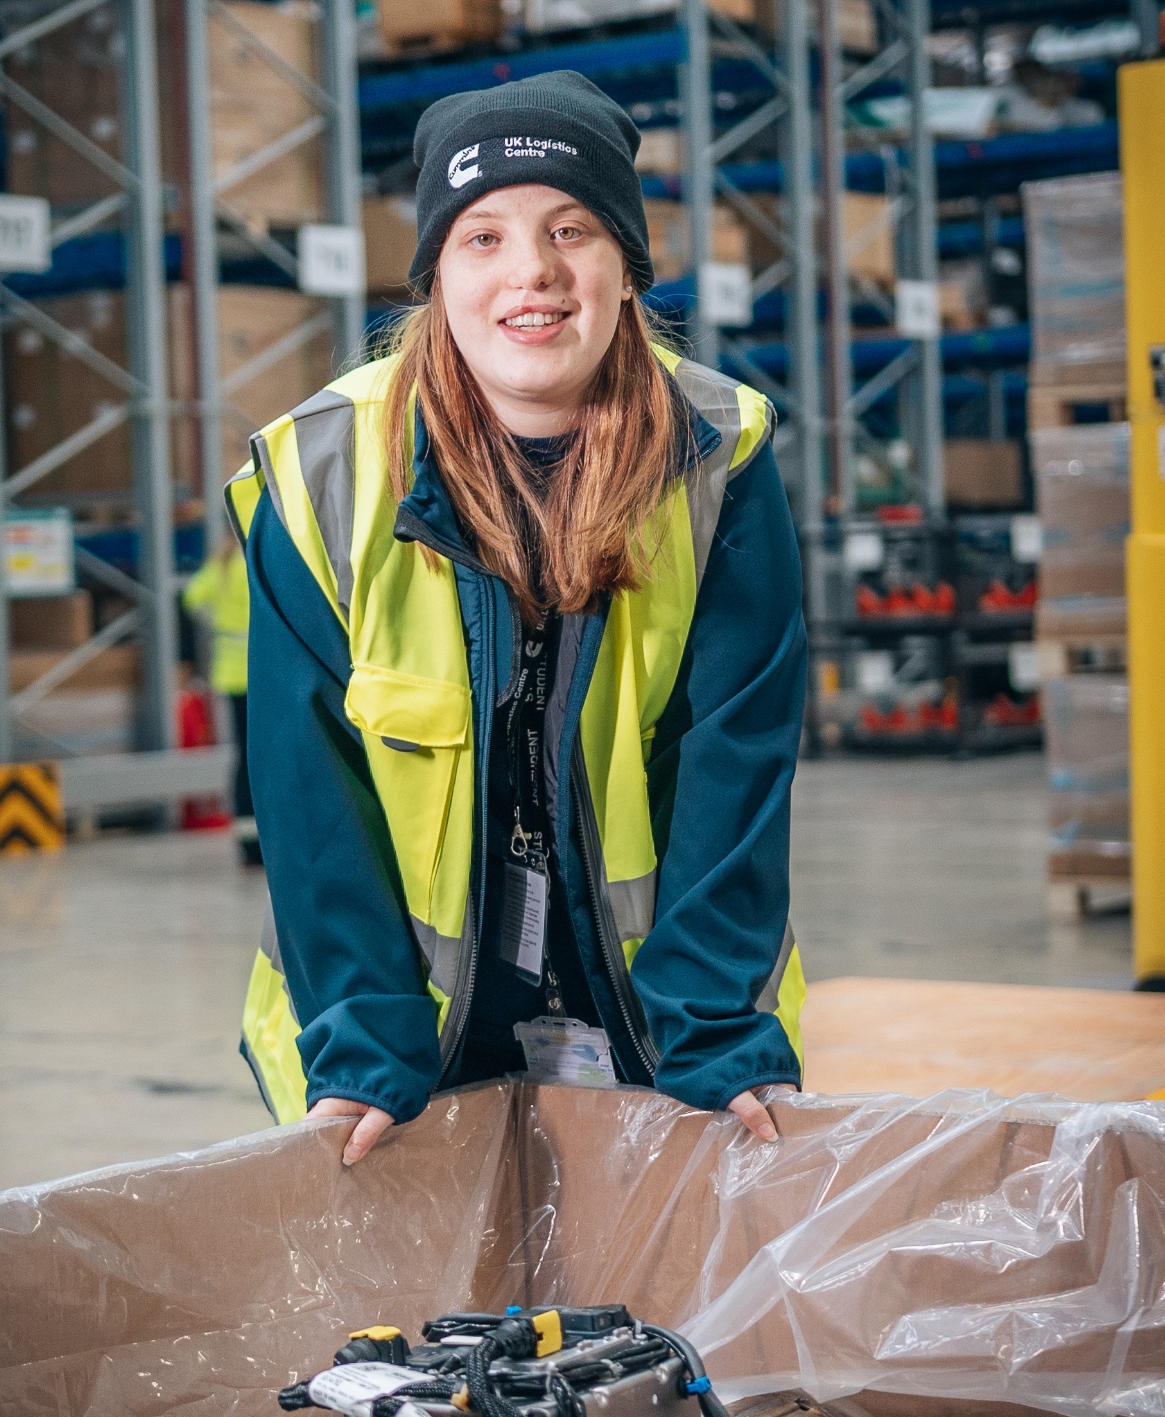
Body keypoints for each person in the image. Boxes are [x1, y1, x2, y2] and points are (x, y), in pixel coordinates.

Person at [226, 72, 806, 1163]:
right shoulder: (322, 468)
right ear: (436, 277)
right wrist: (362, 1044)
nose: (531, 271)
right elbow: (311, 785)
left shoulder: (719, 455)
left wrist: (713, 1028)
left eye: (571, 228)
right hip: (396, 1023)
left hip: (653, 1014)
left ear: (626, 270)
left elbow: (731, 751)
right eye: (481, 236)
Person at [182, 540, 260, 865]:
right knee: (264, 757)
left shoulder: (223, 563)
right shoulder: (255, 559)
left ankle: (246, 841)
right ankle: (264, 841)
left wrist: (215, 620)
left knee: (244, 756)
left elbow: (192, 597)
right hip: (260, 671)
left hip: (230, 673)